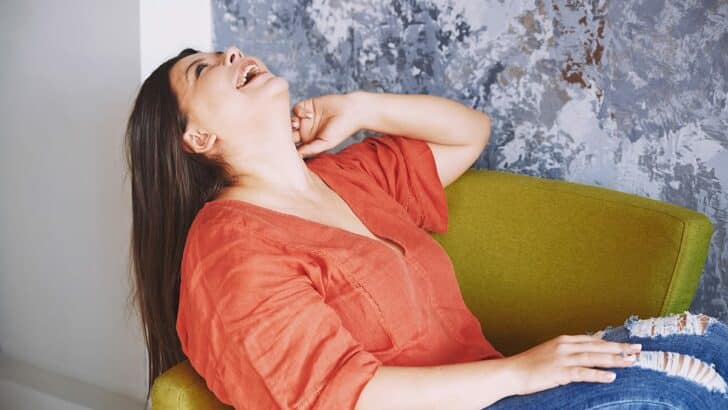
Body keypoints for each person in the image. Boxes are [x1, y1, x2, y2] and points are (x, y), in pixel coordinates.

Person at [124, 45, 728, 409]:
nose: (230, 55)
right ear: (198, 139)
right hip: (496, 392)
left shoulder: (347, 175)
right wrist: (520, 371)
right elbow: (336, 398)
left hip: (503, 392)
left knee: (714, 348)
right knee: (673, 398)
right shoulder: (227, 250)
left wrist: (361, 108)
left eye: (221, 52)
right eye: (202, 70)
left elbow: (470, 133)